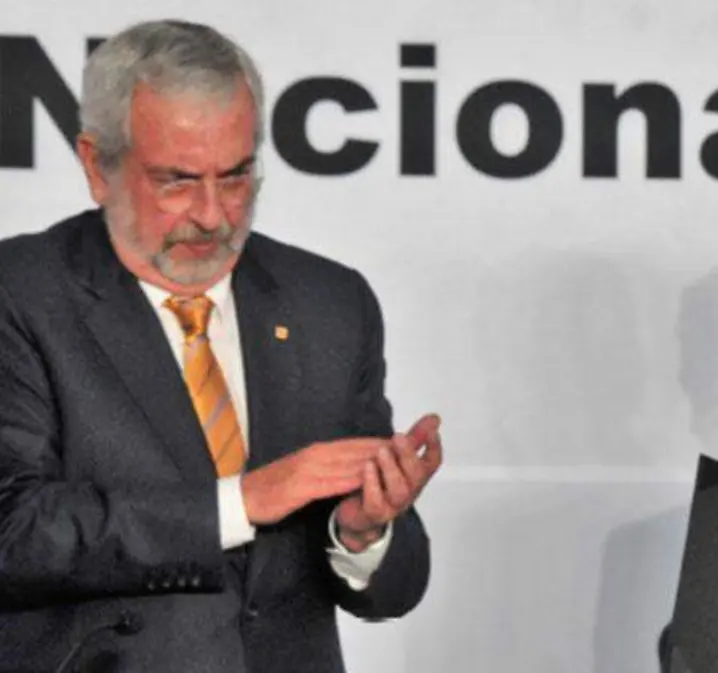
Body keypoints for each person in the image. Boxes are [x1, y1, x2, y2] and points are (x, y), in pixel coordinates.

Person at [0, 20, 441, 673]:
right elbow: (12, 531)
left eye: (236, 177)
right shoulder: (22, 293)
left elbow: (395, 588)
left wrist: (363, 532)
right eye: (177, 181)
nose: (213, 215)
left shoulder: (329, 304)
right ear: (97, 166)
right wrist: (240, 502)